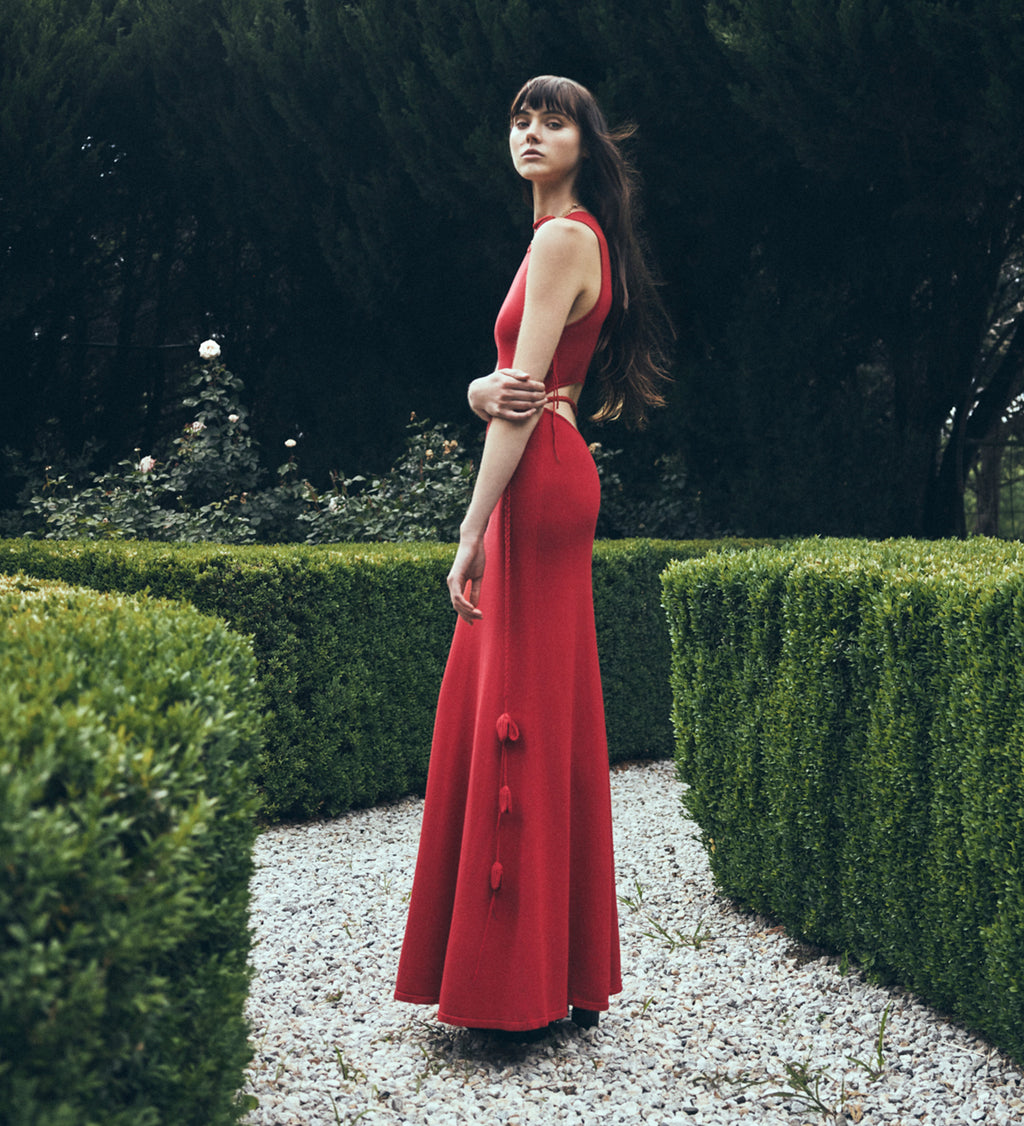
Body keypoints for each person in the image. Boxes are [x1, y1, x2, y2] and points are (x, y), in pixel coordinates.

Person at [394, 75, 670, 1035]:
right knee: (544, 708)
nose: (531, 133)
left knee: (513, 704)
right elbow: (519, 387)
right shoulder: (573, 237)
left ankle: (509, 990)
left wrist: (470, 529)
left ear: (586, 144)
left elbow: (519, 401)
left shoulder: (561, 240)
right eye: (520, 119)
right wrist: (482, 390)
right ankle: (564, 974)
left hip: (535, 482)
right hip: (556, 462)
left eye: (554, 121)